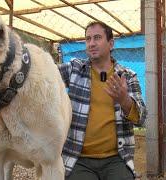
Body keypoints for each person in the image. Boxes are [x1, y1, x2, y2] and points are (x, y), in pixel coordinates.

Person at [58, 21, 147, 180]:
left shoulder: (127, 76)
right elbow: (46, 75)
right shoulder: (74, 69)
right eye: (88, 39)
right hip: (79, 158)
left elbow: (142, 118)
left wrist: (124, 100)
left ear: (111, 44)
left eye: (97, 38)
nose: (91, 43)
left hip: (116, 159)